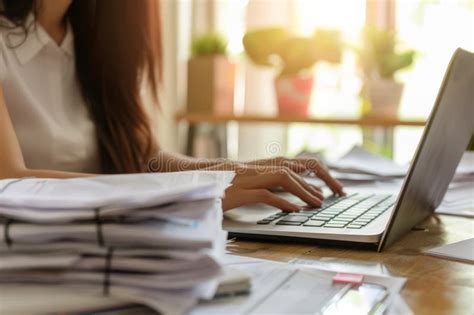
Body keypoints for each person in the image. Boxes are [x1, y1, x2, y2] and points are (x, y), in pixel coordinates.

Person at [0, 0, 344, 212]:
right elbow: (10, 182)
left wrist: (232, 170)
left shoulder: (94, 39)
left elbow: (147, 158)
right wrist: (197, 190)